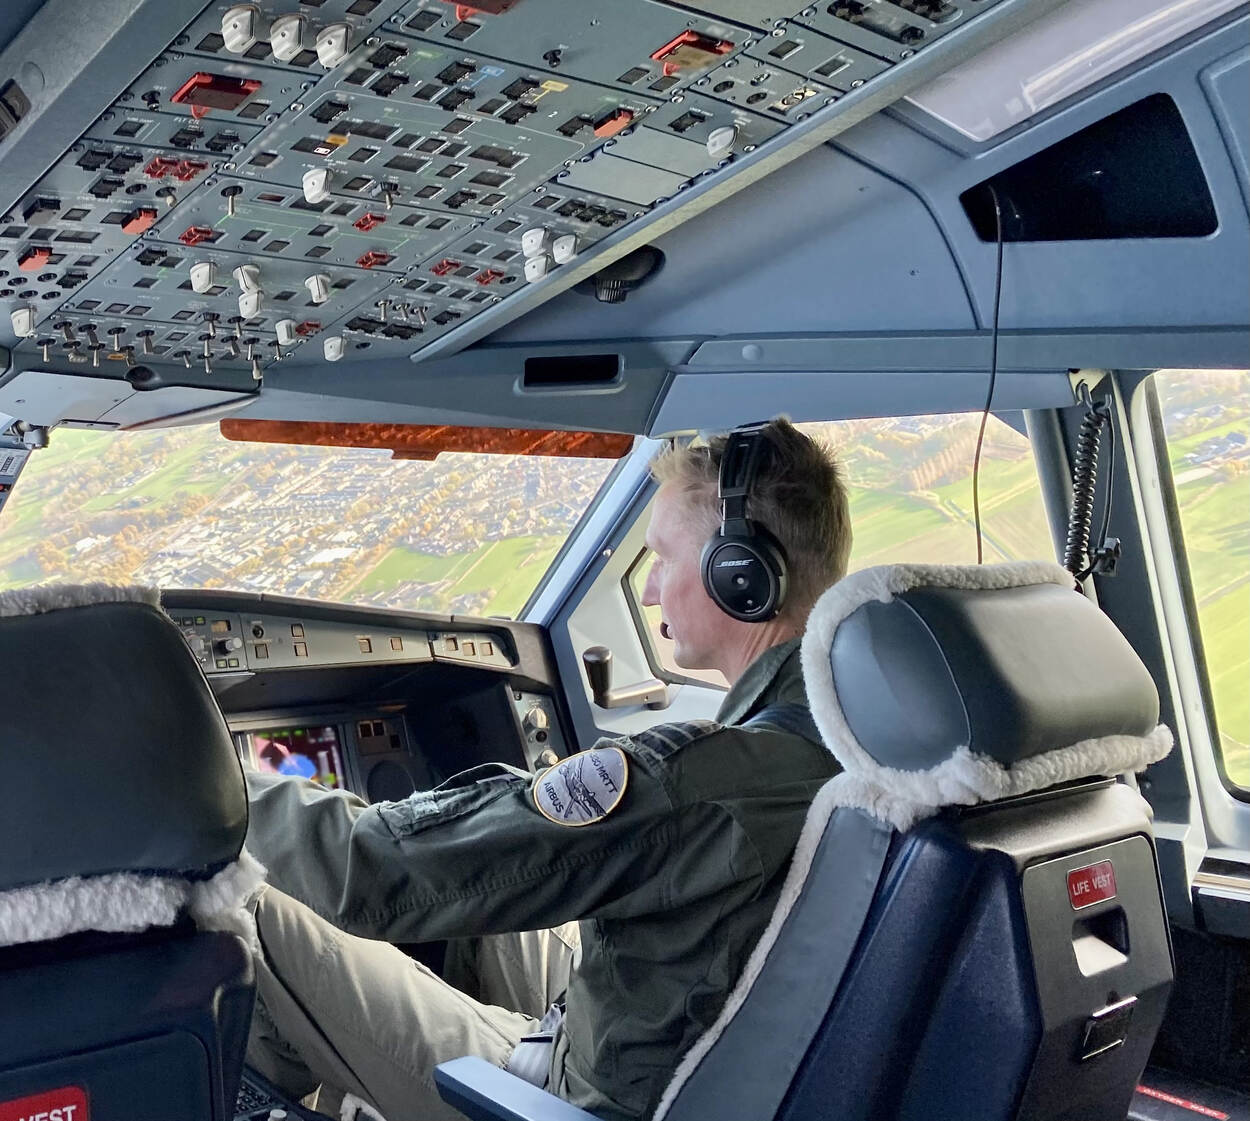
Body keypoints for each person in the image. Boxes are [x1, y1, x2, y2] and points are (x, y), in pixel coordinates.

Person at [244, 418, 853, 1121]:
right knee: (499, 876)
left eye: (662, 557)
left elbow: (375, 868)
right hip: (666, 1041)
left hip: (577, 1100)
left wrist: (215, 794)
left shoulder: (703, 780)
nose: (650, 591)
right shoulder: (850, 731)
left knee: (257, 911)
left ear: (739, 576)